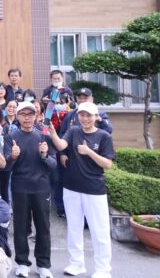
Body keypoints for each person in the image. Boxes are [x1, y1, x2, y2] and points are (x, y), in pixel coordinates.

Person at [49, 102, 114, 278]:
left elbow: (107, 164)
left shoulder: (103, 136)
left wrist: (89, 152)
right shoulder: (73, 131)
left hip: (94, 189)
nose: (85, 118)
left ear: (96, 117)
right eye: (82, 115)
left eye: (89, 115)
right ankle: (76, 264)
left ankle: (103, 269)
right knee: (74, 228)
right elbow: (61, 146)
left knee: (99, 230)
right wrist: (52, 132)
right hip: (71, 188)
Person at [8, 102, 56, 278]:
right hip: (20, 187)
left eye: (30, 114)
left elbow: (53, 164)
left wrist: (44, 155)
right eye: (23, 114)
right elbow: (5, 166)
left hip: (41, 188)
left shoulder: (44, 136)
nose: (27, 118)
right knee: (20, 227)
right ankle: (22, 263)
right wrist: (13, 156)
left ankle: (43, 265)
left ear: (36, 116)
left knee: (43, 227)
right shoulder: (11, 136)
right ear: (18, 116)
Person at [54, 87, 113, 218]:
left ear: (92, 99)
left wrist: (98, 119)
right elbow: (62, 134)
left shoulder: (100, 115)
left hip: (92, 170)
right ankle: (62, 209)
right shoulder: (71, 115)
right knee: (66, 186)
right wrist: (62, 153)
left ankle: (87, 219)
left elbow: (108, 130)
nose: (82, 100)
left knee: (94, 214)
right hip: (72, 159)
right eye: (80, 97)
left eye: (85, 97)